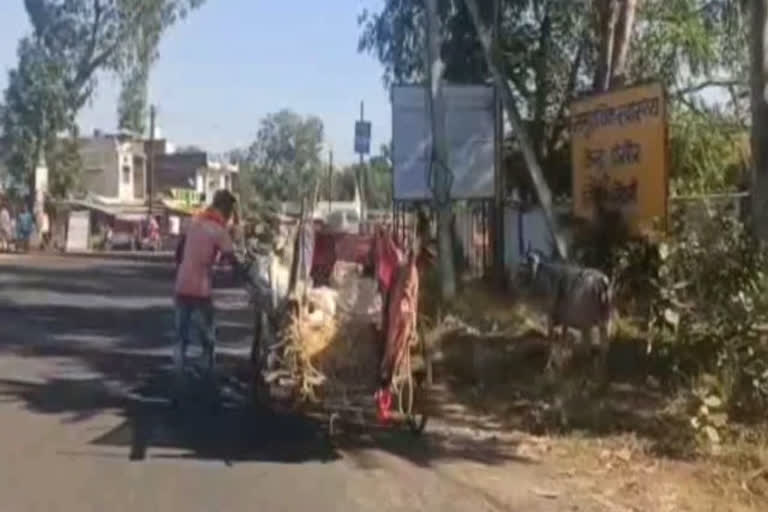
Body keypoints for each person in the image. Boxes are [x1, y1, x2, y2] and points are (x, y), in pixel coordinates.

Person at [173, 190, 242, 380]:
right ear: (226, 209)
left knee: (181, 335)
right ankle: (207, 371)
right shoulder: (219, 230)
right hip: (200, 289)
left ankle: (178, 372)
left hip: (181, 285)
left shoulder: (195, 223)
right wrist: (244, 275)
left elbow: (178, 254)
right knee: (208, 336)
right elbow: (231, 259)